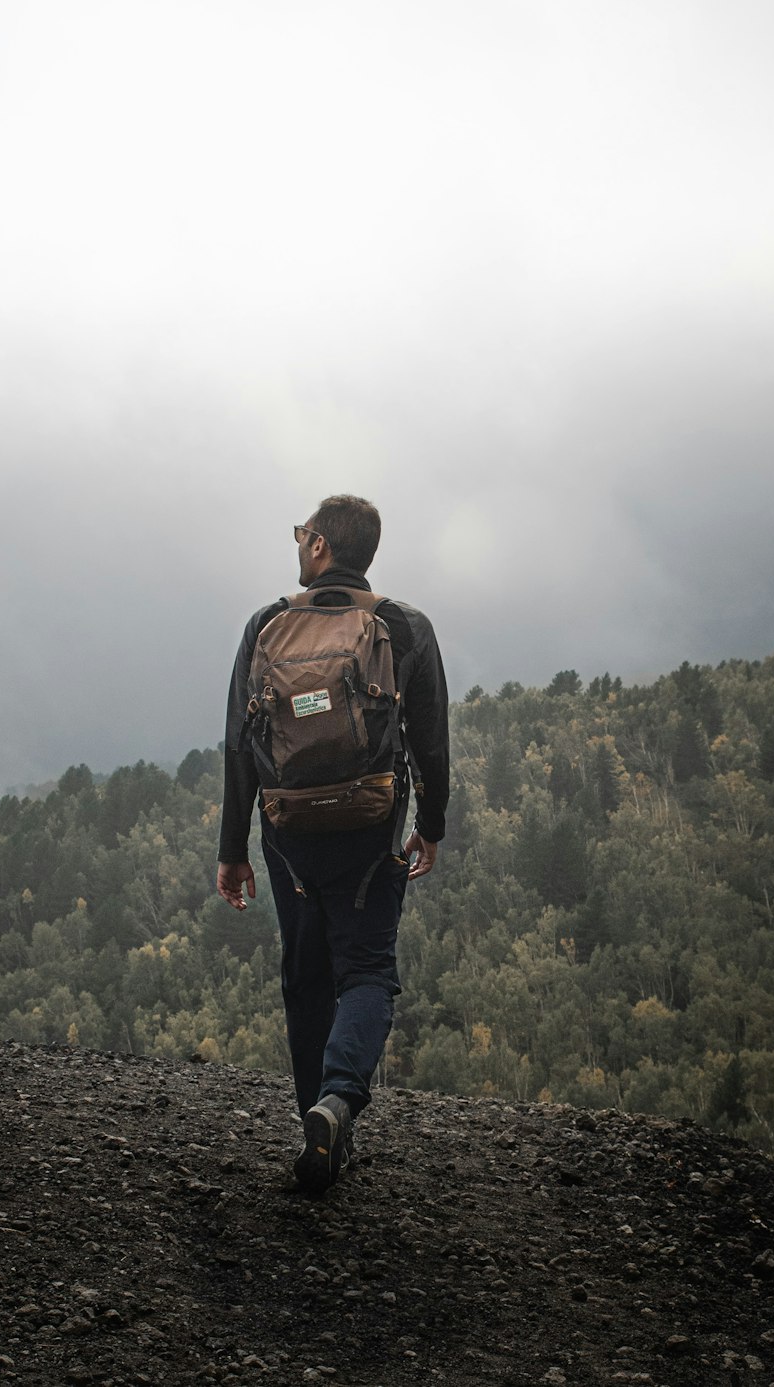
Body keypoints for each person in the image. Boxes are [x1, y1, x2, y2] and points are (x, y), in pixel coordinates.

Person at [215, 494, 450, 1191]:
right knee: (368, 971)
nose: (298, 543)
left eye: (301, 533)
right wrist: (429, 827)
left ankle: (314, 1127)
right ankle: (337, 1102)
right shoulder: (403, 627)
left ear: (319, 548)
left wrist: (233, 849)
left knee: (305, 975)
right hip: (370, 831)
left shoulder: (266, 624)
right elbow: (430, 746)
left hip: (289, 835)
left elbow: (238, 745)